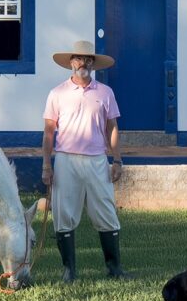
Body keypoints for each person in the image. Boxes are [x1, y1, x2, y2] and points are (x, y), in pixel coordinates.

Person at [41, 37, 125, 282]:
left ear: (93, 63)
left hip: (97, 159)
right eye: (78, 58)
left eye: (88, 59)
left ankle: (114, 269)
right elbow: (49, 131)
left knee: (106, 211)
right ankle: (69, 271)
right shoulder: (57, 93)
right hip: (66, 160)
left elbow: (112, 127)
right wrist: (46, 165)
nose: (83, 63)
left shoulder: (105, 92)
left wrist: (117, 160)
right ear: (71, 62)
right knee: (64, 214)